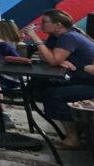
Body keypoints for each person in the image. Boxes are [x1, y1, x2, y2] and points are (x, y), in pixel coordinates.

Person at [22, 9, 94, 150]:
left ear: (58, 25)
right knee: (39, 84)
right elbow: (45, 56)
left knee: (53, 95)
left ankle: (73, 138)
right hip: (80, 78)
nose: (41, 25)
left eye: (45, 22)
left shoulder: (69, 37)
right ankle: (75, 125)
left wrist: (35, 37)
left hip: (90, 82)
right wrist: (59, 60)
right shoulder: (56, 36)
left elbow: (52, 60)